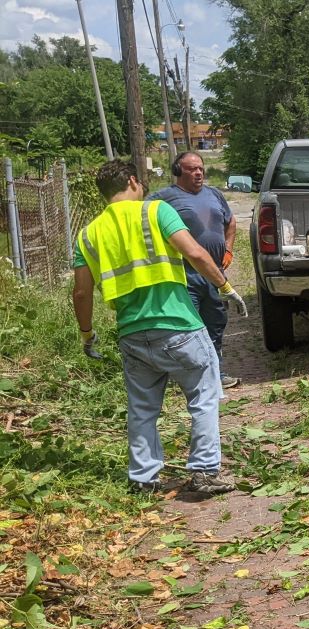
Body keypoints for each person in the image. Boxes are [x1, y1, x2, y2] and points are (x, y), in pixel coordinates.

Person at [72, 160, 248, 495]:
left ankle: (143, 479)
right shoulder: (156, 211)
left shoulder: (88, 234)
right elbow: (195, 252)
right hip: (179, 326)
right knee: (204, 397)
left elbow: (81, 292)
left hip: (132, 334)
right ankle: (205, 473)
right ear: (134, 181)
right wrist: (225, 287)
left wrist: (87, 334)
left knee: (142, 409)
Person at [149, 151, 241, 389]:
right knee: (190, 327)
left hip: (215, 274)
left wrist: (228, 249)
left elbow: (230, 222)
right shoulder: (163, 198)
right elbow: (141, 220)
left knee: (216, 322)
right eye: (191, 169)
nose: (198, 173)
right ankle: (191, 378)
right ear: (178, 171)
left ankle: (216, 373)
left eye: (200, 168)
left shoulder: (214, 195)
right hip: (184, 275)